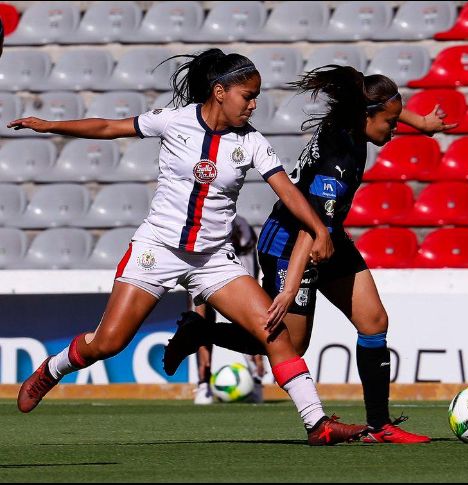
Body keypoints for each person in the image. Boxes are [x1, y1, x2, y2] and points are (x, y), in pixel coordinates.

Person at [12, 49, 369, 446]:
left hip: (213, 259)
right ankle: (53, 369)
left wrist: (318, 229)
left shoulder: (252, 143)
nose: (253, 105)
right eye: (247, 96)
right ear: (220, 92)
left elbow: (286, 189)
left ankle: (317, 424)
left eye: (256, 97)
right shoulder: (173, 121)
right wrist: (49, 125)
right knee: (108, 343)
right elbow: (107, 127)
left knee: (275, 334)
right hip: (157, 250)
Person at [163, 64, 457, 444]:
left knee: (373, 321)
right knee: (288, 343)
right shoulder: (339, 164)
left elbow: (378, 103)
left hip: (326, 236)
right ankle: (199, 331)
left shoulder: (352, 118)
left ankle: (380, 425)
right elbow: (309, 229)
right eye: (391, 122)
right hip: (290, 244)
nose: (395, 128)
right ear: (367, 117)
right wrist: (288, 291)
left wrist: (423, 123)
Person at [190, 214, 266, 405]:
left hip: (235, 261)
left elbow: (249, 274)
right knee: (200, 320)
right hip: (200, 260)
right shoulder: (194, 221)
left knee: (247, 318)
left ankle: (256, 379)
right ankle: (203, 383)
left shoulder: (241, 228)